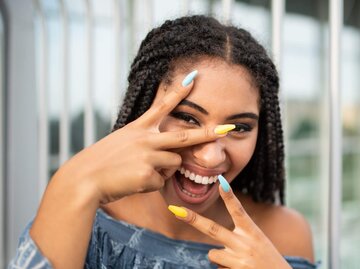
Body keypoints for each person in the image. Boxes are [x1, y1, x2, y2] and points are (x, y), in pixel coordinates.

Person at [9, 15, 317, 269]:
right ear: (144, 109)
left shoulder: (286, 234)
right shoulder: (81, 209)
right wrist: (74, 180)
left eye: (238, 127)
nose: (210, 157)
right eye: (188, 118)